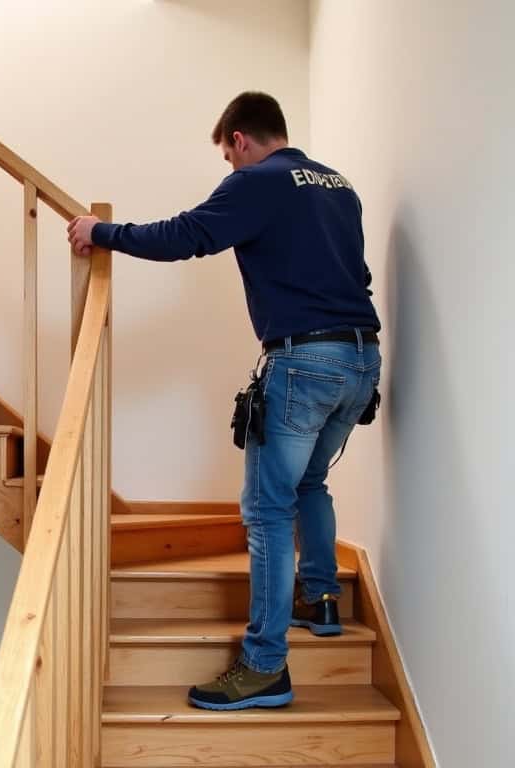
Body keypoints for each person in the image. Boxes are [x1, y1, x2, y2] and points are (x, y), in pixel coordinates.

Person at [66, 92, 382, 711]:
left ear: (238, 139)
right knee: (310, 481)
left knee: (265, 511)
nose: (230, 171)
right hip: (360, 359)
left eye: (228, 159)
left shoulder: (259, 181)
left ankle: (265, 666)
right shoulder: (339, 186)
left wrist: (101, 232)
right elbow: (357, 275)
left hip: (304, 359)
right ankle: (321, 600)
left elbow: (188, 234)